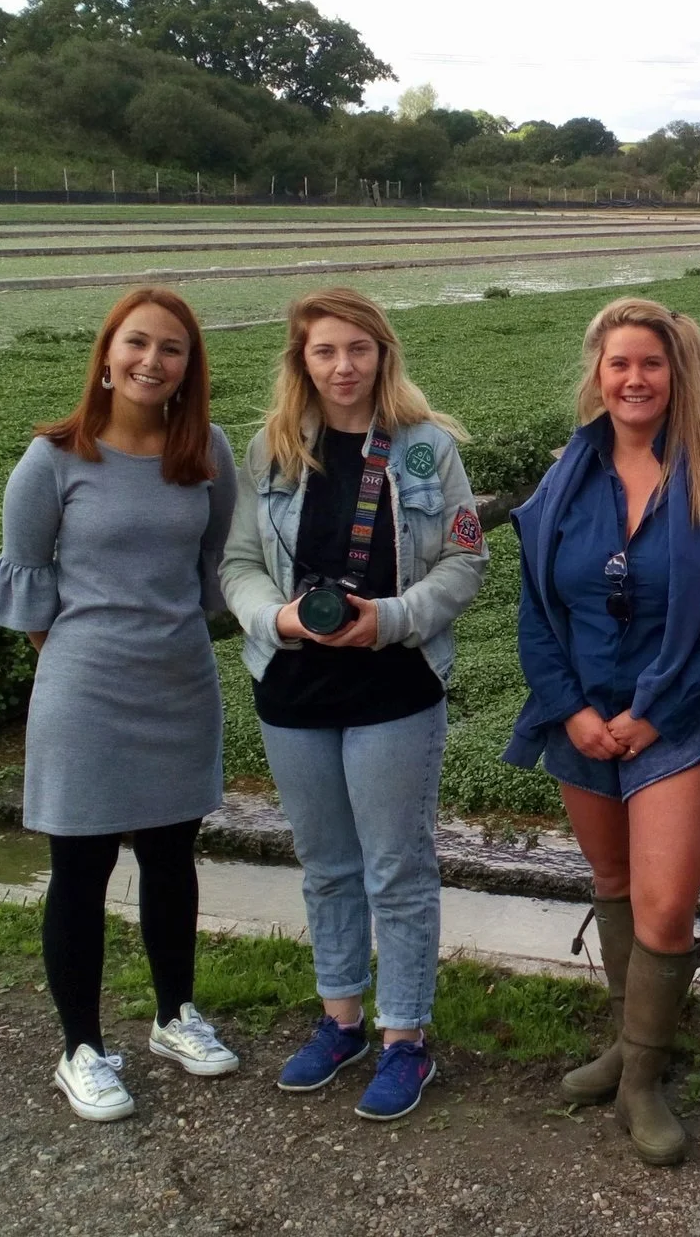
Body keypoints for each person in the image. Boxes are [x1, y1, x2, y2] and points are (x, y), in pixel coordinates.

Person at [504, 296, 700, 1166]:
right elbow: (537, 611)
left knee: (663, 905)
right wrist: (573, 708)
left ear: (676, 373)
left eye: (650, 363)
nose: (634, 379)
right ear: (598, 374)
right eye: (618, 363)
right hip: (579, 717)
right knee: (612, 878)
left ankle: (643, 1081)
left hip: (675, 721)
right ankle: (631, 1044)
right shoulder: (561, 484)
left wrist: (649, 712)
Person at [220, 287, 487, 1121]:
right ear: (302, 359)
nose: (343, 366)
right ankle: (341, 1020)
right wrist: (278, 617)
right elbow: (235, 564)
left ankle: (405, 1036)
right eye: (325, 351)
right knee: (326, 865)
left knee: (396, 867)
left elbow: (463, 562)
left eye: (358, 349)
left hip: (394, 685)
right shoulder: (269, 452)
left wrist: (392, 621)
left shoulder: (424, 451)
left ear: (383, 354)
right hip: (292, 686)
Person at [0, 286, 240, 1123]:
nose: (151, 361)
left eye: (171, 349)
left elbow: (214, 572)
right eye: (137, 343)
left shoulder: (207, 454)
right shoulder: (53, 458)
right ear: (106, 353)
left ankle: (173, 1016)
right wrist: (83, 663)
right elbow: (28, 587)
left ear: (188, 368)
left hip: (180, 685)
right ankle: (81, 1048)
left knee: (172, 859)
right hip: (84, 692)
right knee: (80, 870)